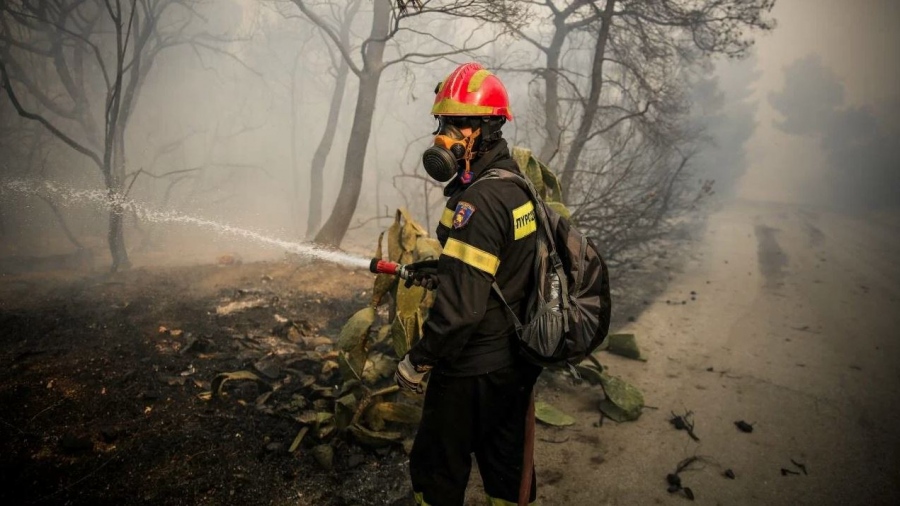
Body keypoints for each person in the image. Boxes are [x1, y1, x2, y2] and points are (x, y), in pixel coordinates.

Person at [394, 62, 543, 506]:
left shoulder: (476, 202)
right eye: (443, 122)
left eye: (457, 124)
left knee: (436, 474)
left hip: (469, 371)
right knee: (506, 474)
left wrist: (416, 361)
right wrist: (443, 270)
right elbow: (500, 268)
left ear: (486, 128)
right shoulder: (513, 184)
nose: (444, 135)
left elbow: (461, 314)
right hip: (511, 364)